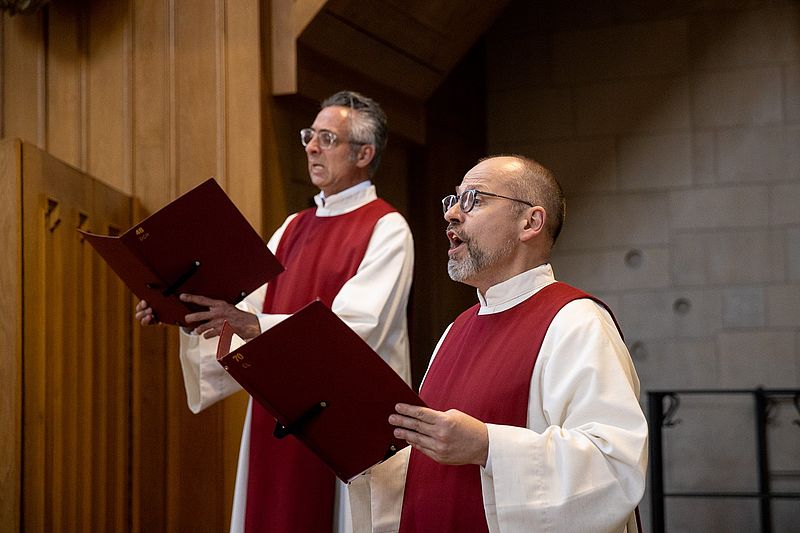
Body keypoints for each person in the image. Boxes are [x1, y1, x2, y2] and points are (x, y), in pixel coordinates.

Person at [135, 91, 414, 533]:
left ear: (365, 153)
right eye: (310, 136)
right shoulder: (292, 227)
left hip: (342, 420)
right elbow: (244, 312)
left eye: (327, 138)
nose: (311, 147)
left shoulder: (386, 227)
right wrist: (182, 310)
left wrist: (255, 325)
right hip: (279, 413)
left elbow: (358, 330)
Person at [348, 155, 647, 533]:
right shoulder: (456, 330)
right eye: (453, 200)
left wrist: (488, 446)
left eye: (474, 199)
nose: (452, 214)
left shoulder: (576, 321)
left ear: (530, 223)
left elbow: (614, 467)